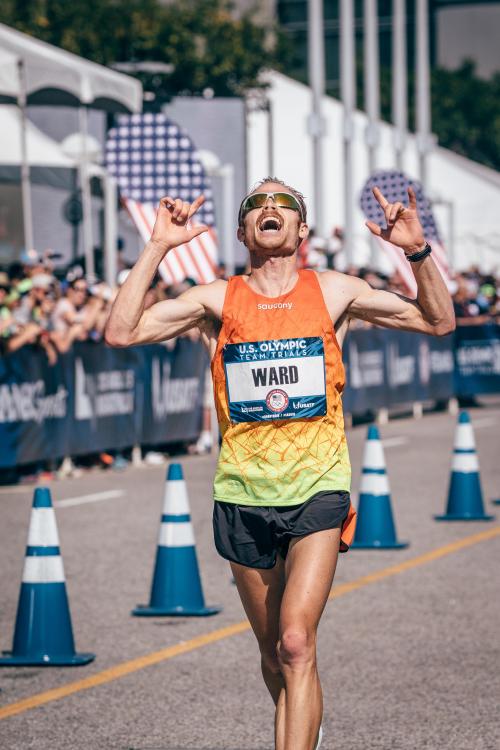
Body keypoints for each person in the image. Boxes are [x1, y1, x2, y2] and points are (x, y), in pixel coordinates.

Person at [105, 177, 455, 750]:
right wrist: (158, 246)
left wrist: (416, 252)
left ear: (302, 228)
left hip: (318, 486)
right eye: (257, 205)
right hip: (242, 494)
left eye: (284, 203)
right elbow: (121, 332)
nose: (271, 208)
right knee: (274, 655)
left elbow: (438, 321)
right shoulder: (215, 300)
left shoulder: (335, 291)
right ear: (243, 231)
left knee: (296, 642)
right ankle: (305, 721)